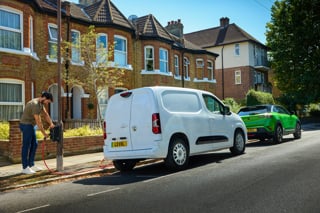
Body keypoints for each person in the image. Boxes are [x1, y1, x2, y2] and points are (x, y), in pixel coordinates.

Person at [19, 91, 55, 174]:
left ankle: (31, 164)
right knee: (26, 146)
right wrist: (44, 133)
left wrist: (51, 124)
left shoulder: (40, 104)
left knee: (34, 144)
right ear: (44, 98)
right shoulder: (35, 104)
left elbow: (46, 114)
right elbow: (38, 122)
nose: (47, 103)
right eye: (47, 101)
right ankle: (25, 167)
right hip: (26, 125)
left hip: (31, 125)